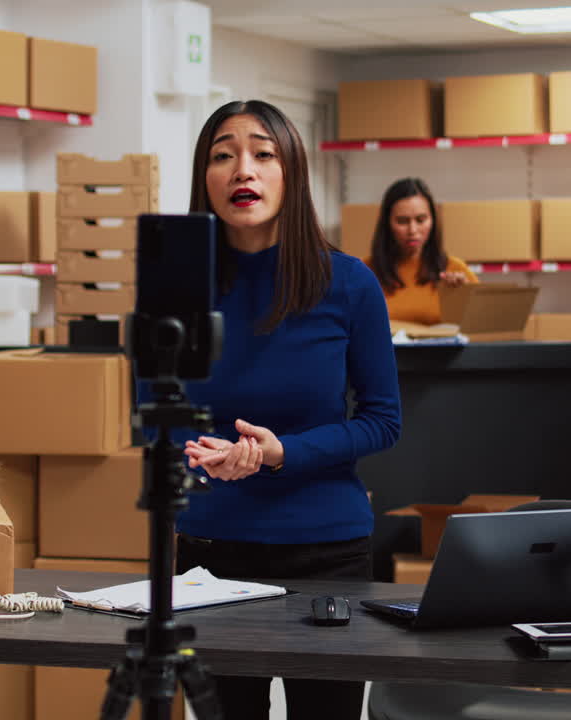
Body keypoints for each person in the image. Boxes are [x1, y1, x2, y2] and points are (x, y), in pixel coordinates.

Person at [140, 99, 402, 720]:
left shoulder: (350, 283)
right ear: (205, 178)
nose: (242, 170)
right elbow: (152, 410)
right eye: (222, 155)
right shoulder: (174, 284)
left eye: (263, 153)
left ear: (292, 172)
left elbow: (383, 419)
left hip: (327, 553)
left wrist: (282, 453)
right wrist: (203, 455)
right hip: (212, 551)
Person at [364, 177, 479, 325]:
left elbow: (483, 326)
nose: (413, 230)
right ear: (387, 223)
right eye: (402, 221)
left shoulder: (455, 270)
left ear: (433, 220)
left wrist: (464, 296)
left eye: (421, 220)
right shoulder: (365, 272)